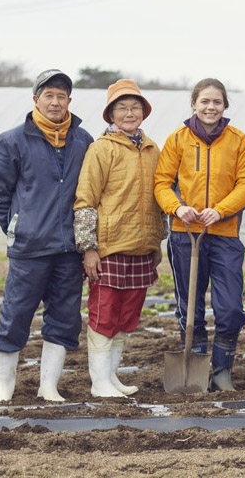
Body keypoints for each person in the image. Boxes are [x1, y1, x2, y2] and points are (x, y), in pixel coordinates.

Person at [0, 69, 94, 402]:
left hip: (69, 248)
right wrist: (18, 228)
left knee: (64, 318)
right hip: (29, 248)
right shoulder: (13, 139)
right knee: (16, 315)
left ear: (69, 102)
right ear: (36, 100)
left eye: (61, 96)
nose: (55, 102)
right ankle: (3, 387)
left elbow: (89, 191)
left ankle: (49, 386)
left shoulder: (83, 140)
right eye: (48, 95)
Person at [154, 78, 245, 391]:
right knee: (190, 305)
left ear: (225, 105)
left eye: (217, 102)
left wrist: (222, 209)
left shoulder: (238, 140)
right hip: (186, 235)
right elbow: (161, 182)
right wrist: (177, 208)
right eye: (205, 101)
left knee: (229, 308)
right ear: (194, 104)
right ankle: (195, 367)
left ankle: (222, 371)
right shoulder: (178, 140)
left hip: (224, 234)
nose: (211, 107)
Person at [73, 79, 165, 398]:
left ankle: (111, 377)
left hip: (142, 247)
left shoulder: (153, 149)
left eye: (135, 107)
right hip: (109, 248)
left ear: (144, 112)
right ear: (111, 114)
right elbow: (85, 199)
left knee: (127, 317)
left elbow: (159, 199)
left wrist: (157, 241)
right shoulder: (102, 149)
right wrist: (88, 248)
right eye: (122, 108)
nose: (129, 113)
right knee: (104, 315)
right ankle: (99, 382)